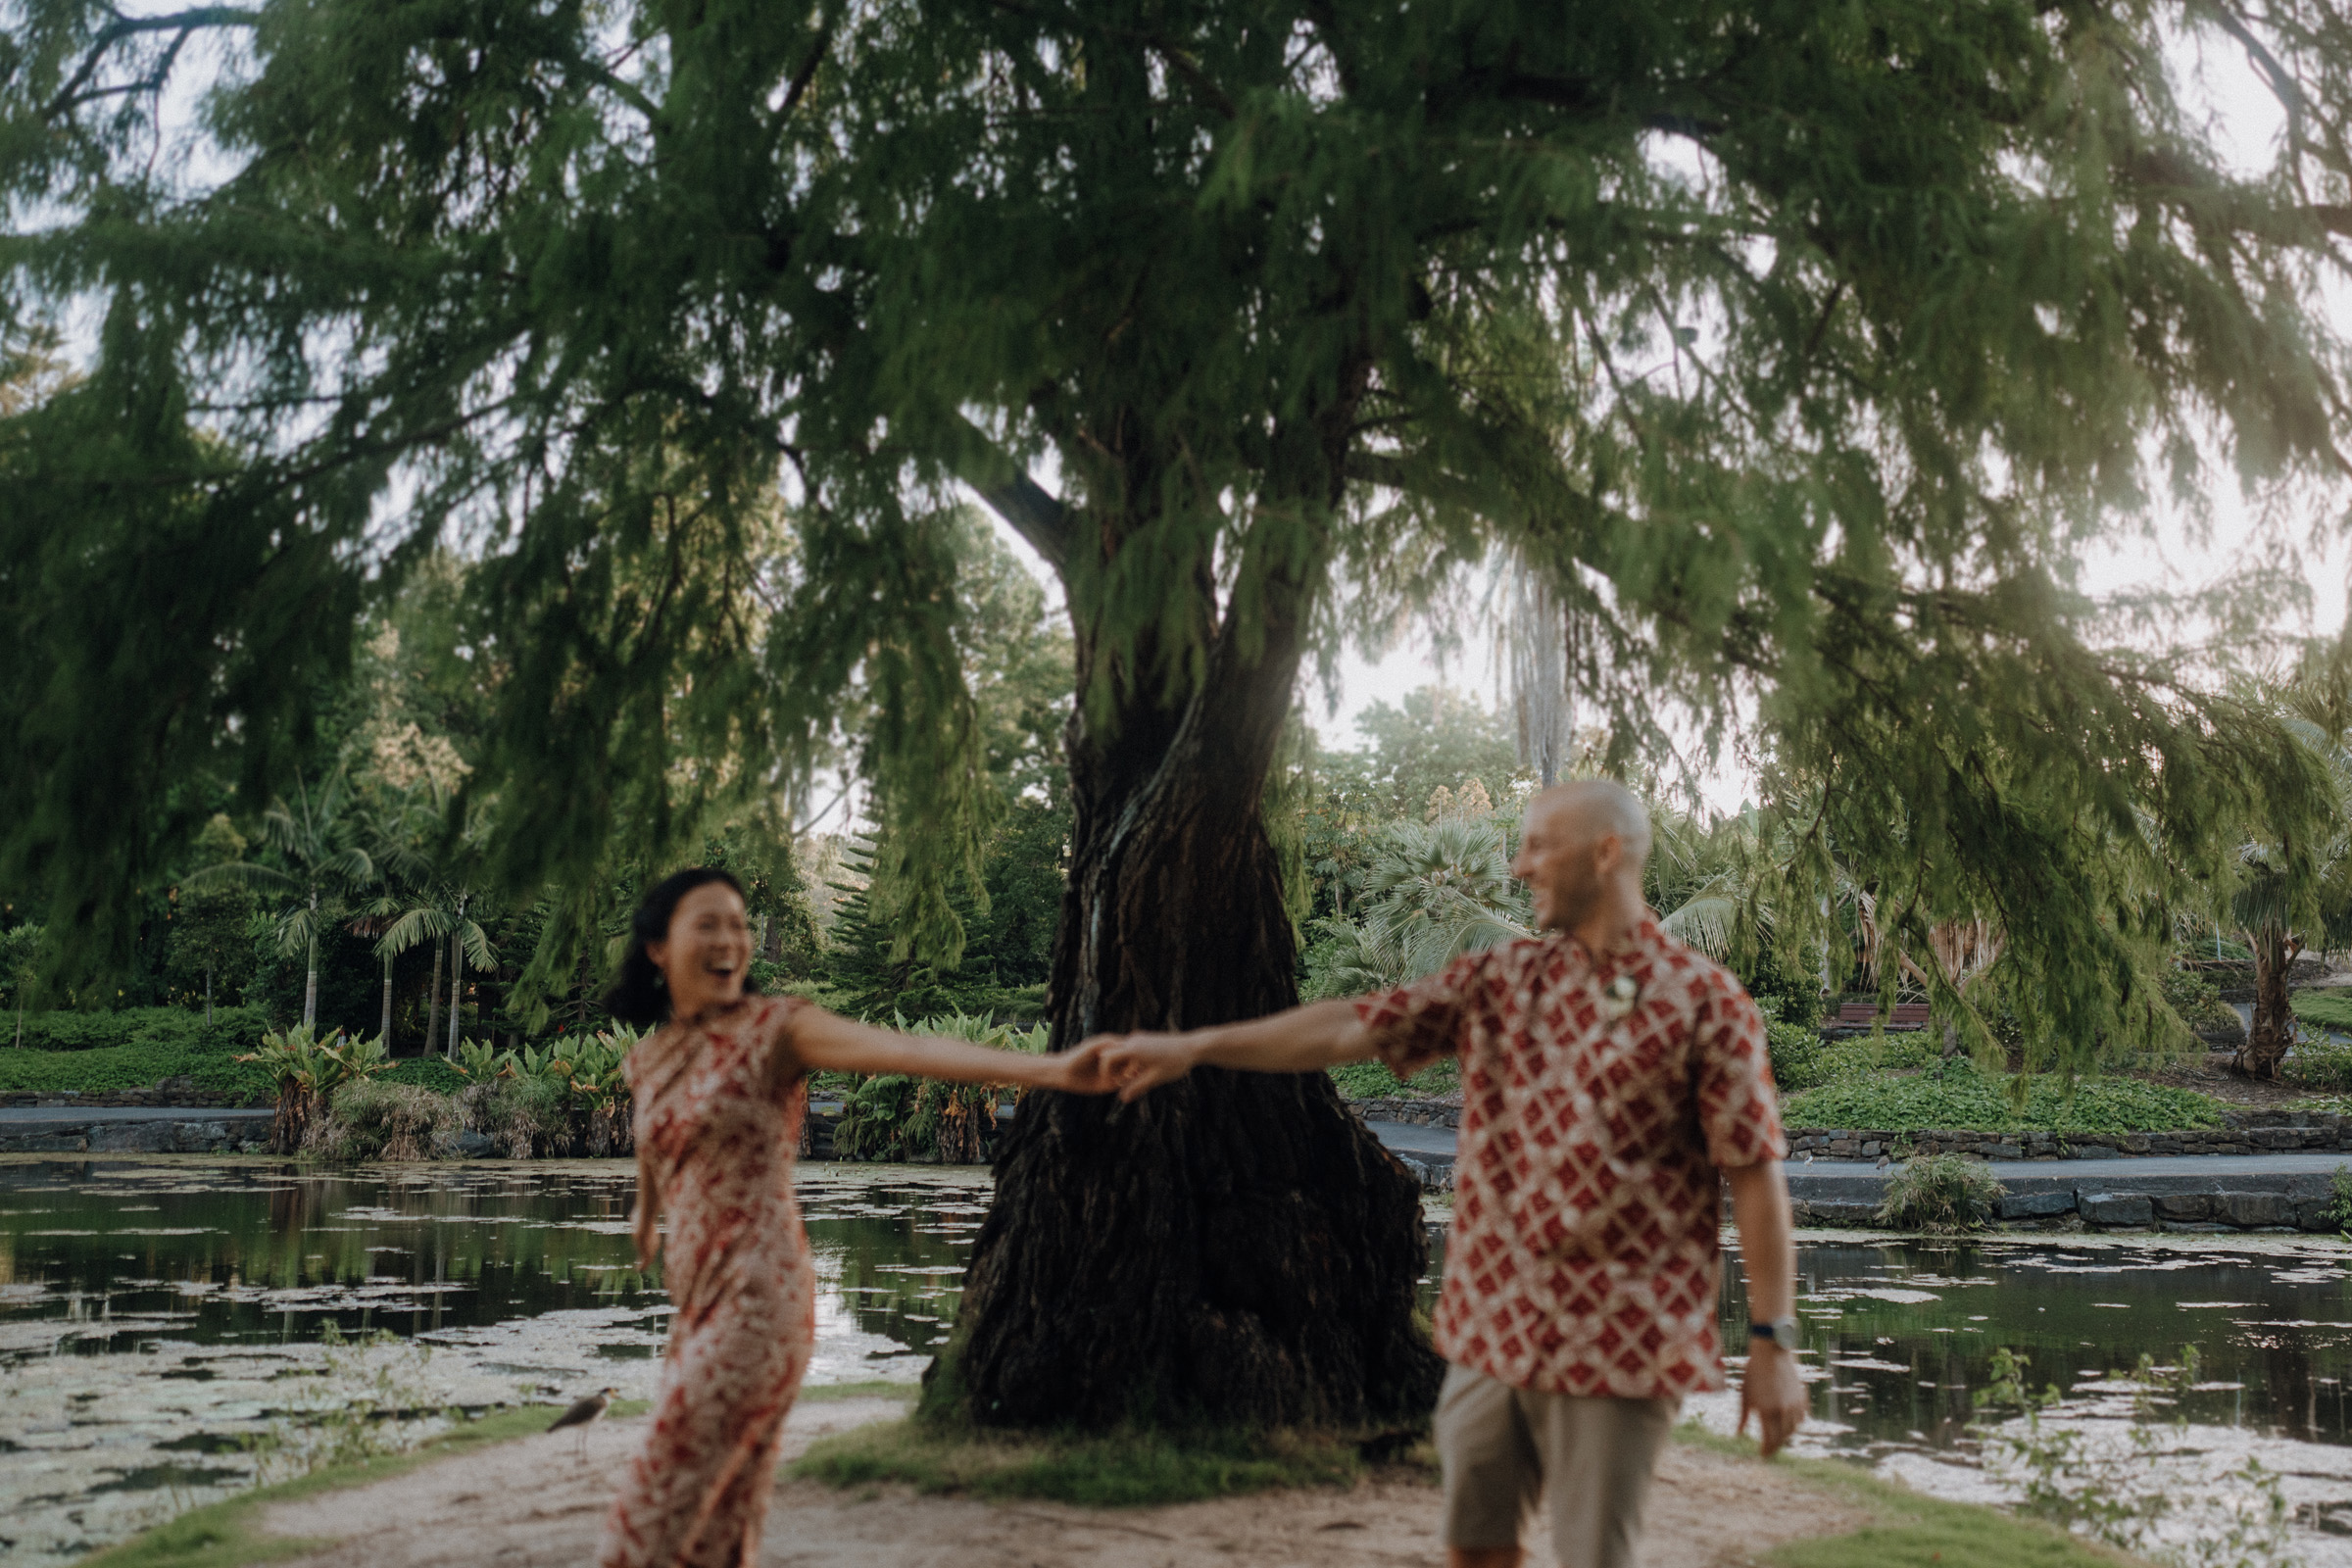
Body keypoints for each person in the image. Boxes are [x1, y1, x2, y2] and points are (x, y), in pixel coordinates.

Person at [1096, 780, 1807, 1568]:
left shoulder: (1707, 1003)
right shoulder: (1503, 981)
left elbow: (1754, 1177)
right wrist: (1193, 1049)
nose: (1517, 866)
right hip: (1492, 1325)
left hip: (1623, 1342)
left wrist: (1773, 1344)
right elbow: (1349, 1025)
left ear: (1606, 853)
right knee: (1473, 1547)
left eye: (1540, 845)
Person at [595, 865, 1111, 1568]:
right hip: (694, 1303)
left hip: (757, 1302)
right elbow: (655, 1145)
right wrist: (645, 1216)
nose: (730, 940)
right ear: (658, 946)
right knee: (720, 1524)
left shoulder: (777, 1030)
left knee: (648, 1516)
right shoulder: (649, 1057)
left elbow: (912, 1051)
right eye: (707, 924)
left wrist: (1055, 1071)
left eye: (739, 925)